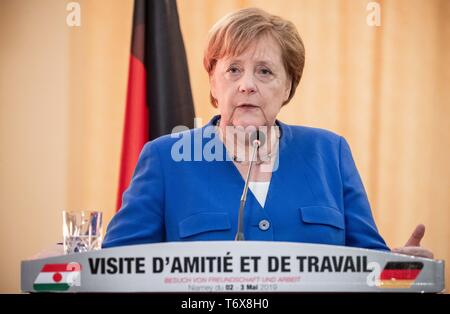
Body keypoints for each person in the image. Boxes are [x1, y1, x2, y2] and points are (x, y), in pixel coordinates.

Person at [102, 8, 433, 258]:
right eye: (233, 70)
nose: (247, 85)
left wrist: (401, 272)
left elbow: (369, 265)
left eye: (264, 71)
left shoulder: (330, 152)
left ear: (287, 86)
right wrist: (69, 270)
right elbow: (116, 268)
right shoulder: (164, 159)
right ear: (214, 84)